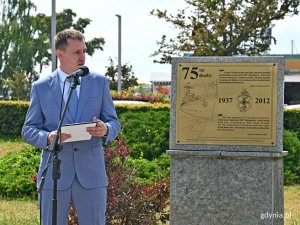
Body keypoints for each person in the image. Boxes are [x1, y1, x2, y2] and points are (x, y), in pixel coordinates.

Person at [22, 28, 121, 225]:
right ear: (60, 54)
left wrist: (106, 129)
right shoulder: (41, 87)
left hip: (92, 175)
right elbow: (28, 130)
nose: (82, 56)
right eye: (77, 52)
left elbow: (114, 122)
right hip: (54, 176)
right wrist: (48, 138)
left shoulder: (99, 82)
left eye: (84, 51)